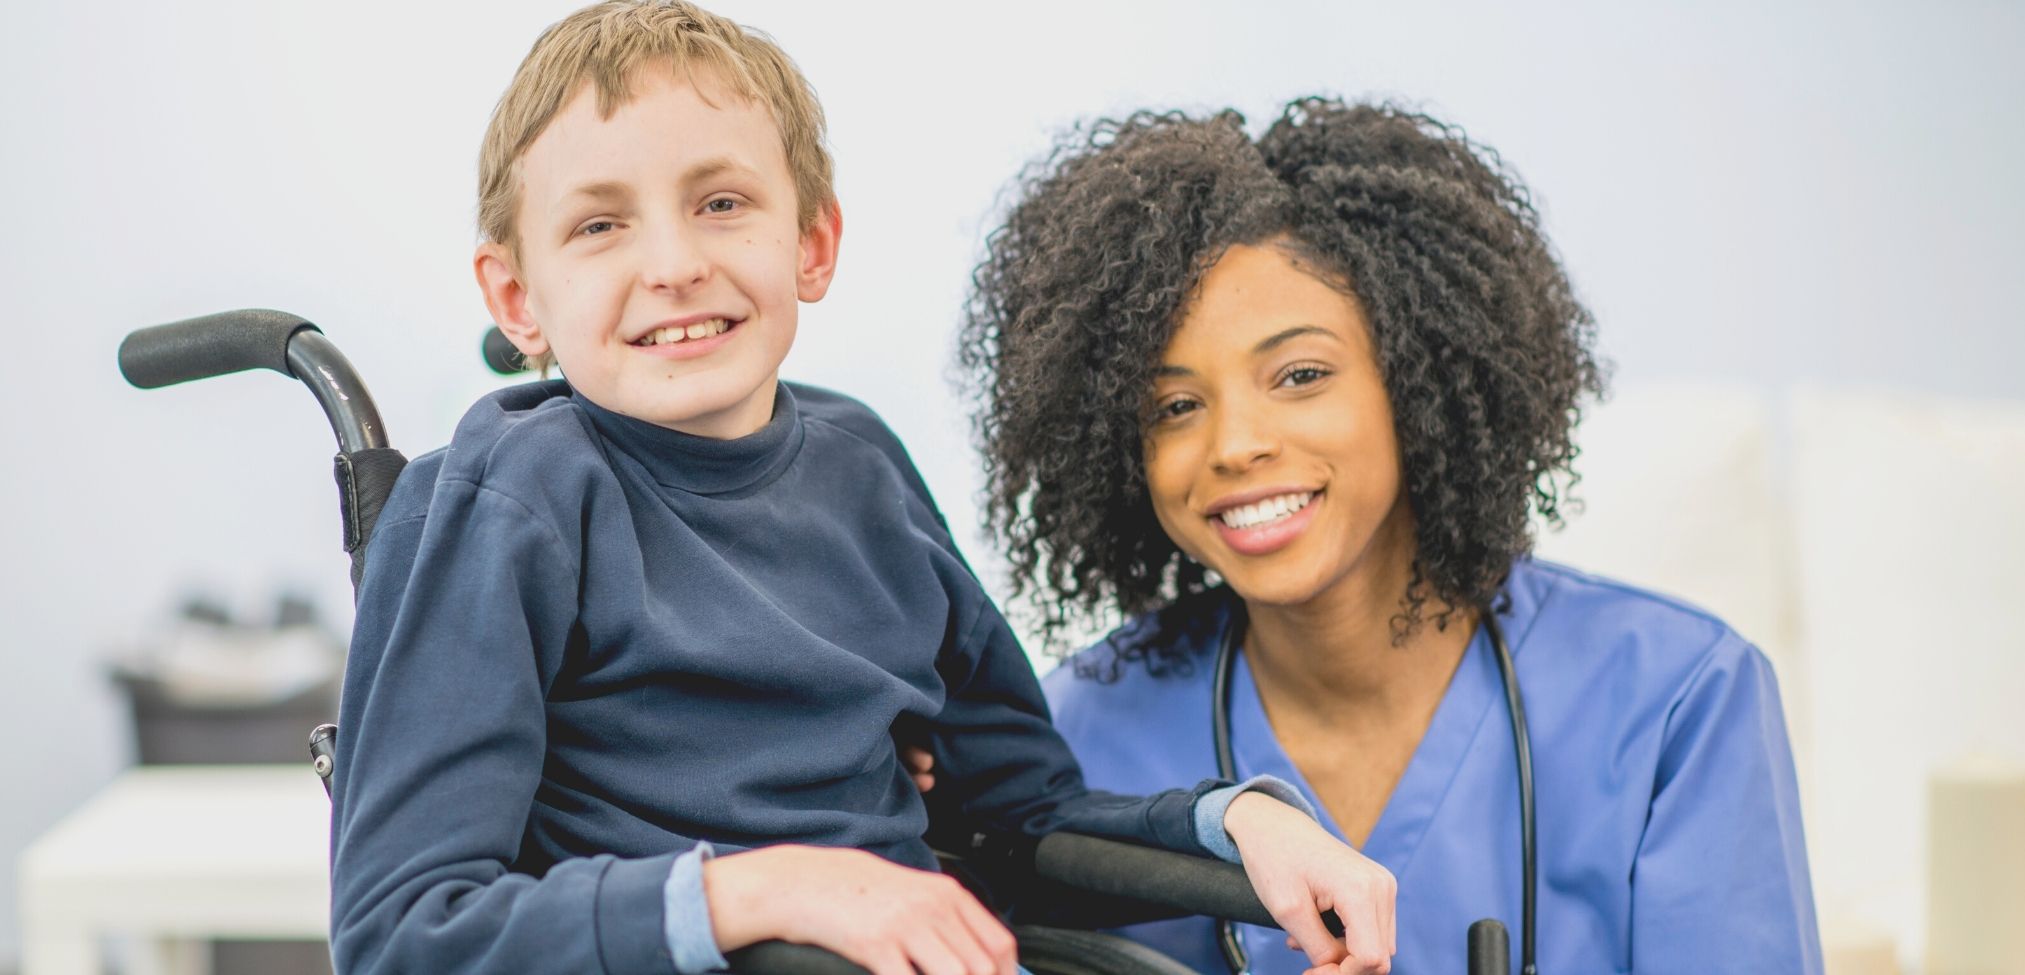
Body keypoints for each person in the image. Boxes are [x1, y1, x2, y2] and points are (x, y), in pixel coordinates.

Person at [326, 5, 1399, 975]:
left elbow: (1022, 821)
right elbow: (402, 933)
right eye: (600, 225)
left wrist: (1244, 826)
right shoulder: (506, 502)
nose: (674, 264)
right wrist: (763, 887)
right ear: (518, 297)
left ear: (812, 243)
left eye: (722, 202)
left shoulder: (863, 469)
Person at [955, 100, 1824, 973]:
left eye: (1299, 375)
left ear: (1418, 377)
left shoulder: (1676, 702)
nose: (1233, 445)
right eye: (1175, 406)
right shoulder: (1072, 739)